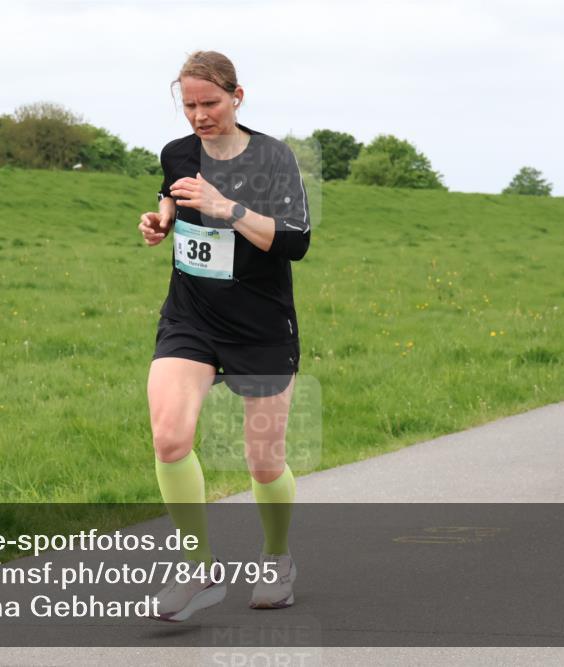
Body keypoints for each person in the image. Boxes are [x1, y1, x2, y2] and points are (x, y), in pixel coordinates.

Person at [137, 50, 311, 622]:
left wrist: (226, 206)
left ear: (238, 97)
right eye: (188, 104)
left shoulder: (272, 159)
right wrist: (160, 218)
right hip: (191, 317)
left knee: (263, 462)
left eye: (209, 103)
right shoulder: (177, 152)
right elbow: (173, 192)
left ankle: (278, 558)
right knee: (168, 439)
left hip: (259, 324)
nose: (198, 115)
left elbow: (294, 241)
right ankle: (199, 569)